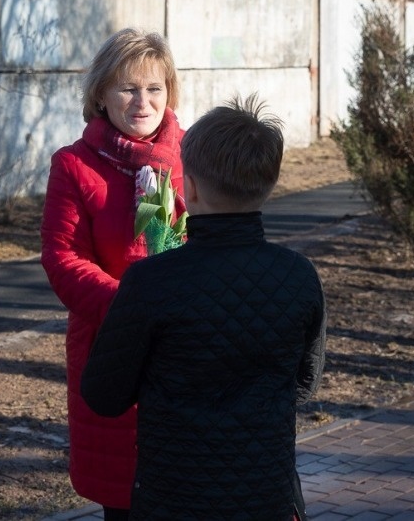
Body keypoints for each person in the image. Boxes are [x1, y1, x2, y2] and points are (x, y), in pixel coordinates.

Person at [81, 95, 327, 521]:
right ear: (268, 185)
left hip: (173, 496)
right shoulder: (299, 275)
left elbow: (103, 394)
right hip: (266, 493)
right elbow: (304, 383)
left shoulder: (151, 281)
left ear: (189, 188)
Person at [40, 28, 185, 520]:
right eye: (128, 88)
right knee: (125, 497)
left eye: (155, 88)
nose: (143, 102)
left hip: (188, 348)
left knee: (193, 488)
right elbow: (63, 257)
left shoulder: (194, 155)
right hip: (113, 346)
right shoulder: (73, 165)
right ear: (101, 94)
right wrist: (133, 310)